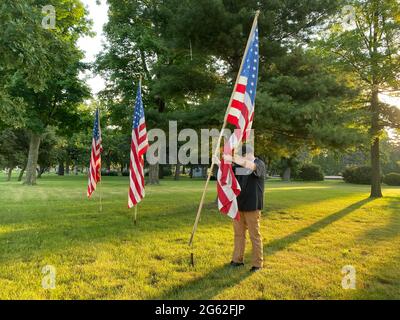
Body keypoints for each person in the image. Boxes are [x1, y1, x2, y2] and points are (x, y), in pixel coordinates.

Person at [215, 144, 266, 272]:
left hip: (253, 206)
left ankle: (257, 264)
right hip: (239, 205)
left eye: (243, 156)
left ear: (249, 154)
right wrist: (217, 162)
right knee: (239, 234)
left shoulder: (259, 164)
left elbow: (251, 167)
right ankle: (237, 260)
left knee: (254, 235)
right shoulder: (241, 167)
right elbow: (229, 173)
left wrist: (233, 158)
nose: (242, 159)